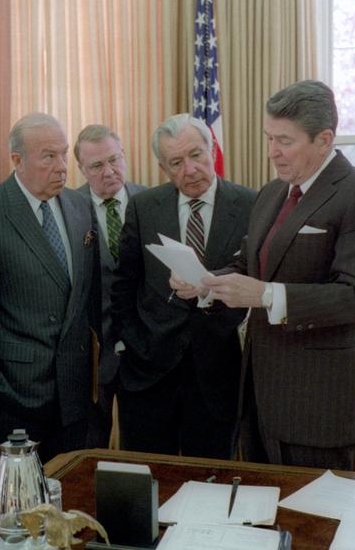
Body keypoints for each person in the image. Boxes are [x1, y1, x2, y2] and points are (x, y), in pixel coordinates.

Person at [174, 80, 355, 470]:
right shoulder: (272, 193)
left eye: (285, 141)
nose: (272, 153)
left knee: (316, 525)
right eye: (269, 138)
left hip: (315, 406)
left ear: (324, 139)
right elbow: (249, 266)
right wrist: (206, 284)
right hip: (258, 399)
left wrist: (266, 295)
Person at [0, 113, 101, 498]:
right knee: (17, 517)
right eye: (48, 156)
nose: (62, 167)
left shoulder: (81, 207)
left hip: (76, 400)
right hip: (12, 403)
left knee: (71, 510)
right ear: (16, 160)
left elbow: (88, 299)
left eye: (64, 154)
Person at [110, 113, 256, 459]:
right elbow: (124, 284)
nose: (190, 170)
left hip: (218, 371)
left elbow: (253, 271)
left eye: (196, 155)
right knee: (149, 480)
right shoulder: (144, 206)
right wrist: (132, 342)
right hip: (149, 371)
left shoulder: (251, 204)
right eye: (176, 162)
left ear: (212, 149)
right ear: (163, 168)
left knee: (210, 481)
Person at [74, 124, 147, 448]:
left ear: (124, 156)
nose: (109, 171)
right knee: (91, 443)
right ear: (81, 169)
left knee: (145, 442)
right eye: (97, 166)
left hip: (143, 349)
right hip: (89, 352)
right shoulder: (68, 207)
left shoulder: (151, 202)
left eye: (114, 160)